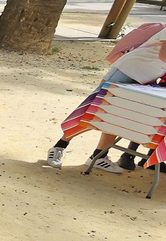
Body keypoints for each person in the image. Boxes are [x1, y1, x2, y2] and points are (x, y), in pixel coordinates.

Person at [47, 21, 166, 172]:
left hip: (145, 77)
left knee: (115, 116)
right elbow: (164, 55)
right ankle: (59, 147)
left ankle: (99, 156)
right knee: (95, 109)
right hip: (128, 70)